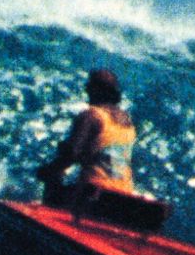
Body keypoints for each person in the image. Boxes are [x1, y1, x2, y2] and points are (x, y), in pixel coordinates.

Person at [35, 69, 136, 200]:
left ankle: (48, 209)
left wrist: (46, 171)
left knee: (52, 174)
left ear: (97, 90)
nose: (86, 89)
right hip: (124, 193)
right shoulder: (127, 120)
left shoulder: (91, 115)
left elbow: (71, 154)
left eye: (90, 86)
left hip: (94, 192)